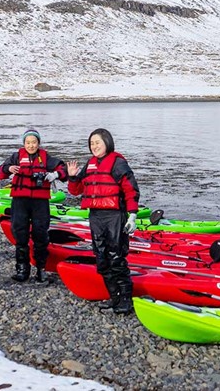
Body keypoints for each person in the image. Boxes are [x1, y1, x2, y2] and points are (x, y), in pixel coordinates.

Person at [67, 128, 140, 314]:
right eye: (91, 143)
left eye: (97, 142)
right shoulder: (90, 164)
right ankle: (114, 297)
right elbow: (76, 191)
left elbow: (131, 190)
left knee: (116, 258)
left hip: (115, 216)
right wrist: (73, 176)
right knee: (101, 258)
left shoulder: (118, 163)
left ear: (107, 142)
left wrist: (132, 215)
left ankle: (126, 301)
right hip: (96, 216)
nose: (94, 146)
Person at [0, 129, 68, 283]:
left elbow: (63, 169)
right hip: (20, 201)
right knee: (19, 233)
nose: (31, 145)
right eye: (28, 142)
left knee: (41, 234)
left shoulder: (46, 158)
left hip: (40, 202)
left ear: (38, 143)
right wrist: (8, 169)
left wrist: (54, 175)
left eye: (34, 142)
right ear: (24, 143)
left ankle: (41, 269)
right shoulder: (16, 157)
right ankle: (22, 268)